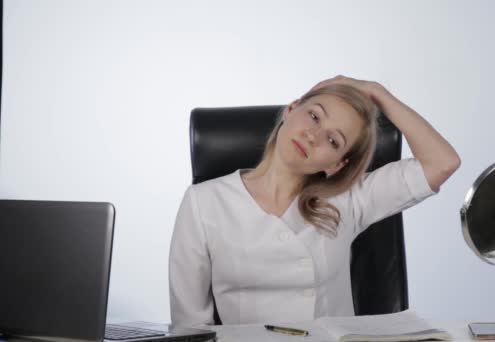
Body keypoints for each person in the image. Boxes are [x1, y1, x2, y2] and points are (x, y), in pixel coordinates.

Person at [169, 75, 460, 328]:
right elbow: (191, 329)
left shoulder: (348, 200)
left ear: (336, 164)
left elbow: (442, 162)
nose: (313, 136)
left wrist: (377, 92)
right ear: (291, 109)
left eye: (333, 141)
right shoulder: (203, 203)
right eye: (314, 116)